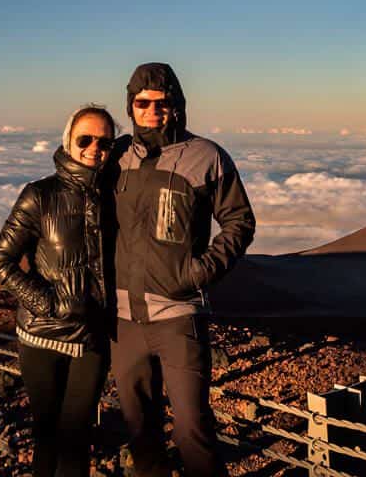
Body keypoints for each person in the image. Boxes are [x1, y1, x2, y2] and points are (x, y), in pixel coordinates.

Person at [108, 62, 255, 477]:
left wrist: (200, 272)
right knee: (141, 429)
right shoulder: (117, 156)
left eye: (163, 102)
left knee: (193, 427)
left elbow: (240, 221)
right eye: (143, 102)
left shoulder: (205, 156)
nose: (153, 109)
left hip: (178, 317)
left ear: (177, 106)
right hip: (122, 321)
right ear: (131, 106)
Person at [0, 105, 116, 477]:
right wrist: (48, 304)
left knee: (77, 437)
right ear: (68, 142)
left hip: (93, 338)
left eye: (104, 142)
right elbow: (1, 260)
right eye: (85, 139)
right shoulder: (39, 195)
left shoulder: (114, 197)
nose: (95, 148)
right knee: (48, 436)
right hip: (42, 337)